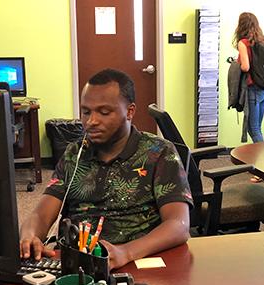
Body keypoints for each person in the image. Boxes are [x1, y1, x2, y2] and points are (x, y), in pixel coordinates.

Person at [19, 68, 193, 270]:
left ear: (130, 112)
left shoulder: (158, 152)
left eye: (104, 112)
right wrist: (29, 236)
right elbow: (41, 214)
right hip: (77, 264)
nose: (91, 122)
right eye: (86, 112)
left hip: (136, 261)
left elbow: (178, 225)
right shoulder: (75, 154)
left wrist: (126, 252)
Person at [232, 12, 264, 143]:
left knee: (253, 129)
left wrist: (236, 64)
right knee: (256, 128)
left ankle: (263, 162)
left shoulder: (243, 43)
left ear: (241, 25)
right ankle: (260, 159)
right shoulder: (263, 41)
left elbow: (245, 67)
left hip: (253, 90)